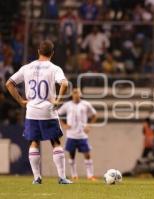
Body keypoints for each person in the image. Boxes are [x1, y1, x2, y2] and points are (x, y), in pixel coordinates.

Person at [5, 40, 72, 184]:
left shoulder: (26, 67)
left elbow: (9, 84)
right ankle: (62, 177)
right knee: (55, 142)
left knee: (34, 142)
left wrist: (21, 101)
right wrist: (58, 100)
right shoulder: (54, 68)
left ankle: (36, 178)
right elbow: (65, 83)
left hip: (32, 111)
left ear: (38, 52)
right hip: (48, 110)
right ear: (52, 53)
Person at [58, 88, 97, 181]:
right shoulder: (67, 105)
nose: (76, 95)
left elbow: (94, 114)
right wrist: (64, 124)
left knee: (87, 154)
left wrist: (89, 126)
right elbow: (57, 113)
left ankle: (90, 175)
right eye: (74, 93)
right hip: (71, 134)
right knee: (72, 155)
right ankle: (74, 175)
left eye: (77, 93)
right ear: (72, 94)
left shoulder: (85, 104)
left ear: (80, 94)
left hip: (82, 134)